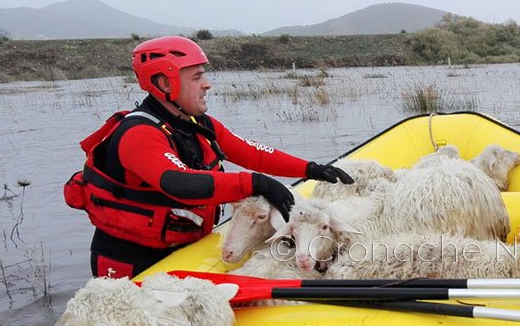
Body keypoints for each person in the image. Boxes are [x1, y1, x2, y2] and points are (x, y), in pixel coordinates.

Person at [68, 36, 353, 279]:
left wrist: (311, 168)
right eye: (197, 77)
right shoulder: (138, 134)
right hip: (132, 260)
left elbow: (252, 152)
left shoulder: (196, 123)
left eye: (204, 74)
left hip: (182, 247)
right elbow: (178, 183)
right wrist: (256, 184)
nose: (207, 84)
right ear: (163, 83)